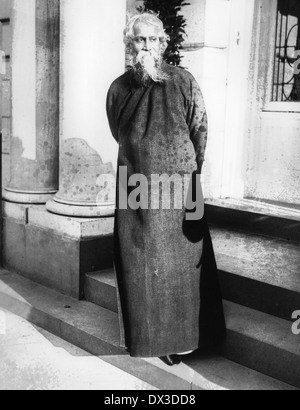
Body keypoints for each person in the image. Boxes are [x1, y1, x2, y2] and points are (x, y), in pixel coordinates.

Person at [107, 12, 226, 366]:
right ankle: (153, 340)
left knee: (185, 264)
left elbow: (199, 130)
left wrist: (192, 177)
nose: (146, 46)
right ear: (130, 46)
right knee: (141, 262)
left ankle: (188, 340)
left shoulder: (184, 81)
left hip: (181, 185)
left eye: (152, 39)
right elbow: (118, 130)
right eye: (138, 40)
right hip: (135, 185)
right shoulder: (118, 87)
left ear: (163, 43)